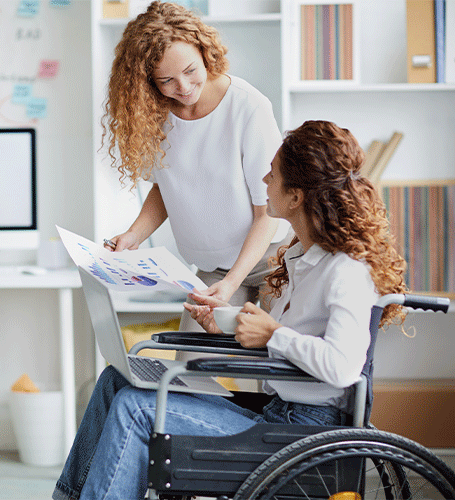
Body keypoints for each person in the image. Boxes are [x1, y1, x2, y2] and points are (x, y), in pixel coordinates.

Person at [52, 120, 407, 500]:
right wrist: (223, 328)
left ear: (296, 196)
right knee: (116, 382)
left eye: (273, 173)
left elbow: (342, 366)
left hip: (301, 433)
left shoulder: (345, 270)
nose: (264, 180)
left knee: (136, 409)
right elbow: (293, 351)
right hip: (276, 413)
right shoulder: (305, 258)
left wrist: (273, 334)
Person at [100, 1, 291, 332]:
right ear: (148, 81)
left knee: (275, 365)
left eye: (190, 71)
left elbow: (267, 214)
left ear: (205, 53)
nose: (183, 88)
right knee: (189, 370)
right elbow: (166, 187)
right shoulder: (155, 114)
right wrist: (134, 235)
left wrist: (232, 284)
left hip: (270, 261)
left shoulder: (248, 107)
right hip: (212, 268)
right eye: (167, 80)